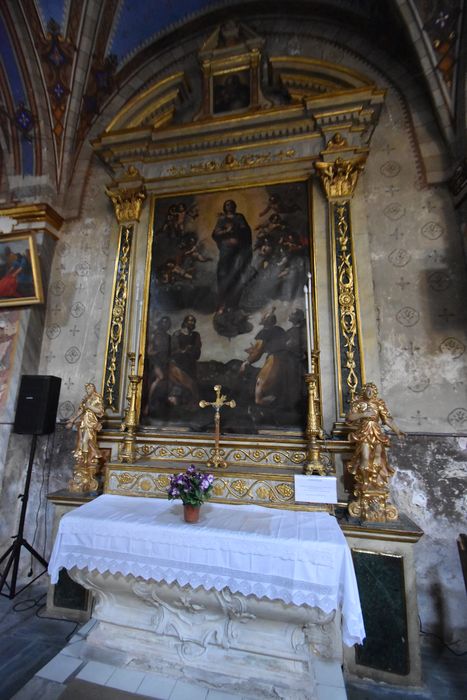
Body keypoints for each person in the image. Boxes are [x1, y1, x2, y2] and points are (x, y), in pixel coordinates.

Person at [346, 382, 404, 489]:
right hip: (364, 432)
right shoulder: (358, 403)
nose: (369, 393)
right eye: (367, 391)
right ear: (364, 392)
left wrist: (397, 431)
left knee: (377, 456)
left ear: (375, 393)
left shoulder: (378, 404)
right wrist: (363, 414)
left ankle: (375, 481)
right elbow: (350, 418)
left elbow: (386, 420)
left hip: (376, 432)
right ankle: (365, 481)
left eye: (371, 391)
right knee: (365, 457)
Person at [240, 308, 288, 406]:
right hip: (287, 359)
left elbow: (258, 352)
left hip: (274, 359)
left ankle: (259, 401)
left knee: (260, 381)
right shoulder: (280, 329)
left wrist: (247, 362)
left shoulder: (264, 333)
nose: (261, 317)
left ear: (265, 321)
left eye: (264, 317)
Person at [212, 199, 252, 312]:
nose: (229, 206)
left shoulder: (239, 217)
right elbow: (215, 234)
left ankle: (234, 304)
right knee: (223, 273)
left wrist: (236, 229)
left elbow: (246, 231)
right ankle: (222, 303)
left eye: (230, 204)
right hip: (226, 250)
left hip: (238, 250)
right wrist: (227, 232)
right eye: (227, 204)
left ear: (234, 206)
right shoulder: (222, 219)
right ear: (224, 207)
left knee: (236, 274)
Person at [66, 383, 105, 467]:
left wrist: (90, 406)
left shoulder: (97, 397)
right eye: (87, 389)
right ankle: (84, 461)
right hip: (83, 421)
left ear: (93, 389)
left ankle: (86, 460)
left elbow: (100, 411)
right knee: (80, 441)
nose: (88, 390)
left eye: (89, 388)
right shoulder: (85, 398)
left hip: (91, 422)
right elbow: (81, 410)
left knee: (86, 441)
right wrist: (72, 420)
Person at [168, 314, 202, 405]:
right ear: (185, 322)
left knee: (192, 385)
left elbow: (197, 350)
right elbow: (173, 350)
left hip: (190, 364)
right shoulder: (177, 334)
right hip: (179, 364)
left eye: (193, 321)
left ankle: (190, 405)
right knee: (180, 384)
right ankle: (176, 405)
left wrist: (193, 349)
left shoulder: (196, 335)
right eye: (189, 320)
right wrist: (184, 350)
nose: (191, 323)